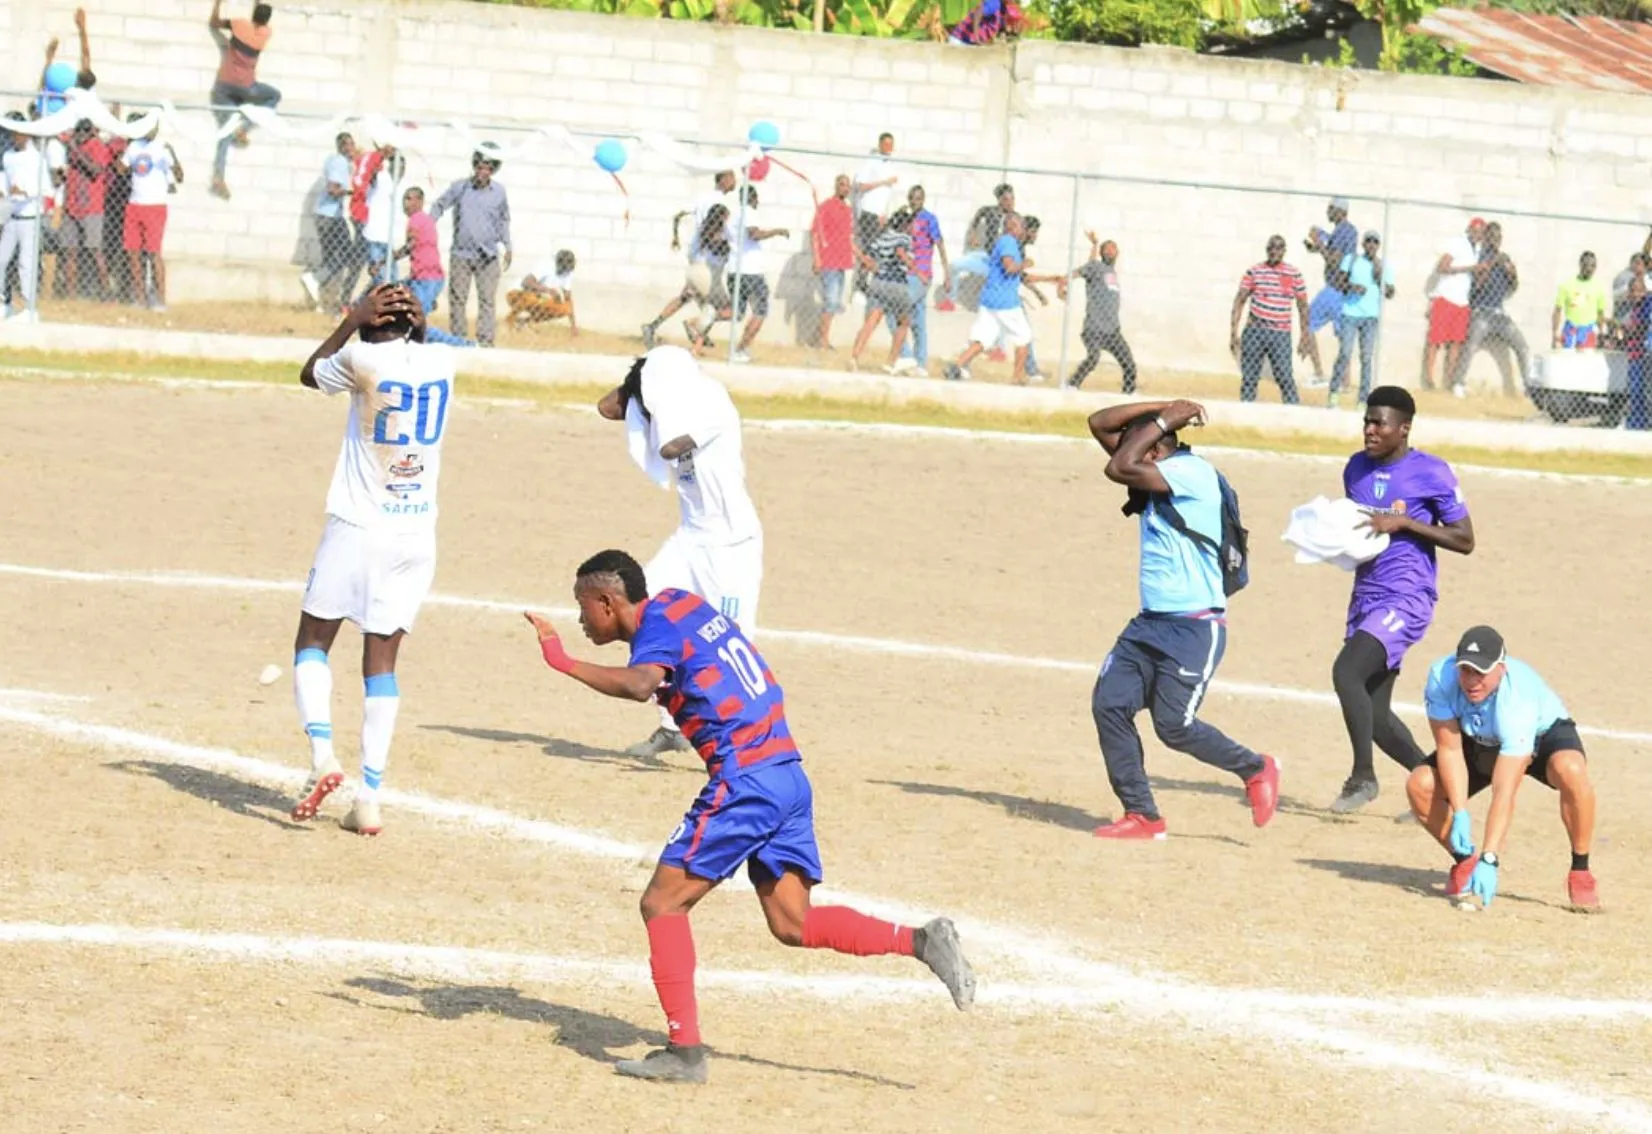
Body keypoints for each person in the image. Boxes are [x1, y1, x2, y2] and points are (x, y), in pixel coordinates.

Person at [522, 549, 975, 1082]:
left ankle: (685, 1053)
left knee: (662, 904)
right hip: (787, 773)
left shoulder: (657, 627)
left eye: (583, 608)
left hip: (746, 780)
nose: (580, 620)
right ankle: (921, 940)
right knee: (792, 922)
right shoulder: (680, 604)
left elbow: (642, 683)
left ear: (607, 600)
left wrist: (563, 662)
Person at [287, 284, 457, 837]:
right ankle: (371, 797)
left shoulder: (359, 358)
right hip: (416, 534)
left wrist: (348, 319)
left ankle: (321, 755)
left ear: (367, 322)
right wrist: (416, 324)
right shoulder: (443, 360)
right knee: (381, 665)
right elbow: (415, 344)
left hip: (359, 526)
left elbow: (309, 373)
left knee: (313, 641)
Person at [1083, 399, 1281, 838]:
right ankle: (1143, 815)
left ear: (1154, 445)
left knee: (1174, 727)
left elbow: (1117, 467)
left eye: (1139, 438)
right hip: (1148, 623)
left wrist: (1162, 421)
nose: (1126, 445)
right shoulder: (1151, 466)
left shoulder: (1192, 474)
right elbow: (1098, 423)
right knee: (1109, 705)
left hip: (1194, 626)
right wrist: (1165, 406)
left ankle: (1257, 768)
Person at [596, 347, 764, 758]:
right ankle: (674, 725)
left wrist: (653, 397)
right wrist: (639, 378)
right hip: (690, 538)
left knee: (731, 645)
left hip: (731, 545)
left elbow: (671, 446)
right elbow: (607, 408)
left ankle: (747, 742)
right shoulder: (667, 399)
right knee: (643, 608)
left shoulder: (711, 401)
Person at [1327, 386, 1474, 814]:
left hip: (1407, 597)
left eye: (1379, 423)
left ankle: (1362, 778)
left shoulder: (1431, 472)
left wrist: (1406, 523)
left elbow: (1465, 539)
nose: (1370, 430)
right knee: (1374, 713)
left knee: (1346, 673)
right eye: (1366, 421)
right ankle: (1439, 786)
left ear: (1404, 428)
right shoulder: (1355, 469)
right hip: (1365, 594)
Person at [1405, 626, 1600, 913]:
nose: (1471, 681)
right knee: (1419, 785)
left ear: (1501, 668)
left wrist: (1491, 858)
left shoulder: (1516, 701)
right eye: (1465, 671)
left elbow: (1504, 790)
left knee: (1570, 770)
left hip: (1540, 736)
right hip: (1480, 740)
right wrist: (1459, 812)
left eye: (1480, 673)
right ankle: (1465, 862)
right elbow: (1450, 749)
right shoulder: (1440, 678)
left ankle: (1580, 870)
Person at [942, 212, 1042, 384]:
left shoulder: (1007, 242)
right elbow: (1009, 267)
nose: (1023, 229)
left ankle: (956, 366)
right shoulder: (1008, 242)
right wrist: (1024, 264)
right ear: (1011, 226)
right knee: (1024, 337)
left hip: (990, 300)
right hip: (1005, 301)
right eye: (1020, 226)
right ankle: (1017, 377)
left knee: (983, 339)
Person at [643, 169, 734, 350]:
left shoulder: (702, 198)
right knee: (716, 303)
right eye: (732, 178)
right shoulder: (719, 202)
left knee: (688, 297)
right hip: (709, 259)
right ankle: (696, 330)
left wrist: (675, 237)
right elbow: (711, 231)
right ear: (723, 180)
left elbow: (678, 215)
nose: (735, 181)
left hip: (696, 255)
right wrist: (723, 245)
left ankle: (656, 326)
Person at [429, 150, 512, 347]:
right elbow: (440, 205)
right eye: (479, 167)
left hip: (488, 256)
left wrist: (508, 245)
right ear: (474, 167)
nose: (482, 172)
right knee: (458, 298)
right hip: (461, 254)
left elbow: (503, 220)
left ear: (492, 170)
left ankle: (485, 340)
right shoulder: (461, 187)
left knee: (487, 300)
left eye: (487, 168)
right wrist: (428, 224)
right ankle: (458, 339)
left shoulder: (499, 192)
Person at [207, 0, 280, 199]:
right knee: (274, 96)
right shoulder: (265, 34)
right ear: (266, 20)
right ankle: (244, 128)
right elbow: (260, 19)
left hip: (223, 87)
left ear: (253, 13)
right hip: (247, 89)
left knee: (224, 132)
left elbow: (214, 23)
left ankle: (218, 178)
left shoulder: (239, 25)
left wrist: (218, 4)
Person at [1450, 221, 1530, 399]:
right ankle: (1458, 384)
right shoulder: (1479, 257)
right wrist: (1493, 262)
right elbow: (1476, 286)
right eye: (1492, 236)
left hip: (1499, 313)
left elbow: (1513, 288)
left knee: (1522, 346)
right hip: (1481, 311)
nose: (1496, 240)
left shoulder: (1505, 258)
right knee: (1470, 345)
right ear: (1486, 238)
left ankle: (1529, 387)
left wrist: (1512, 273)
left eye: (1498, 237)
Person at [1230, 235, 1310, 404]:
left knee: (1284, 375)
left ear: (1284, 251)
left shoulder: (1294, 274)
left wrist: (1305, 335)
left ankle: (1293, 410)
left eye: (1279, 248)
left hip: (1280, 333)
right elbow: (1240, 300)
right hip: (1255, 330)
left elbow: (1303, 306)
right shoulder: (1255, 271)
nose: (1274, 251)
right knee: (1250, 376)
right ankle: (1247, 409)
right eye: (1271, 247)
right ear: (1267, 250)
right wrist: (1233, 332)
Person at [397, 186, 472, 348]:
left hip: (427, 278)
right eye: (405, 199)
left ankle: (462, 344)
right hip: (425, 277)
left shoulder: (416, 219)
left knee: (415, 322)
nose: (406, 204)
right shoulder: (426, 220)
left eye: (410, 199)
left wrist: (390, 258)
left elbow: (411, 244)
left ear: (420, 201)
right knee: (410, 314)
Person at [884, 185, 948, 375]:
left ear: (924, 199)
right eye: (912, 198)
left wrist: (947, 273)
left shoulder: (929, 219)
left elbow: (940, 244)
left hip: (920, 275)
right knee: (918, 318)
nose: (915, 201)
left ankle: (906, 356)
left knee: (893, 313)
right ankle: (920, 364)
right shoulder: (905, 219)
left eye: (918, 198)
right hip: (906, 275)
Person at [1328, 230, 1395, 408]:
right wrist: (1352, 287)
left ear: (1378, 246)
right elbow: (1338, 283)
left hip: (1370, 317)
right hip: (1350, 313)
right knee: (1345, 353)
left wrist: (1379, 276)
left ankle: (1363, 400)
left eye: (1375, 242)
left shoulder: (1383, 265)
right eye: (1368, 241)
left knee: (1366, 358)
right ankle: (1334, 393)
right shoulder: (1352, 260)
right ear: (1363, 244)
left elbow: (1390, 293)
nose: (1372, 245)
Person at [1062, 231, 1136, 392]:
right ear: (1102, 253)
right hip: (1094, 328)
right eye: (1106, 249)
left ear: (1117, 253)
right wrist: (1064, 282)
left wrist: (1095, 245)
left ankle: (1128, 393)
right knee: (1093, 358)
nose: (1110, 251)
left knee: (1129, 363)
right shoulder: (1096, 267)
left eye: (1113, 249)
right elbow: (1082, 270)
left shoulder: (1111, 272)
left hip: (1112, 331)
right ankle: (1072, 384)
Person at [725, 185, 788, 364]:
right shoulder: (749, 212)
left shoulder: (734, 214)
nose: (758, 201)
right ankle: (740, 349)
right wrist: (777, 231)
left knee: (737, 312)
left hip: (734, 270)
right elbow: (754, 234)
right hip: (750, 271)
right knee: (760, 311)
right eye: (757, 198)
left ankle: (706, 318)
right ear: (752, 198)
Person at [0, 129, 59, 321]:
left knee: (26, 264)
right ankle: (3, 304)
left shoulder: (36, 159)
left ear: (26, 135)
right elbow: (4, 180)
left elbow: (47, 189)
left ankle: (29, 308)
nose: (15, 139)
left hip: (30, 218)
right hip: (12, 216)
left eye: (18, 135)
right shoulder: (8, 156)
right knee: (1, 260)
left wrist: (24, 191)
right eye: (13, 135)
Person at [850, 208, 917, 374]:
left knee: (870, 322)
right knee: (904, 322)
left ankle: (854, 357)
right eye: (911, 225)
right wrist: (915, 269)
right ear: (905, 225)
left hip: (879, 282)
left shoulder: (882, 237)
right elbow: (901, 252)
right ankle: (891, 361)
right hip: (897, 284)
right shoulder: (904, 238)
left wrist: (873, 267)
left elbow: (869, 261)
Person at [1423, 219, 1482, 389]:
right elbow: (1442, 267)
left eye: (1480, 233)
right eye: (1475, 231)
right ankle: (1429, 380)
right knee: (1435, 341)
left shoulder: (1476, 250)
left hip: (1462, 302)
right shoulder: (1458, 243)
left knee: (1456, 342)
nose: (1478, 235)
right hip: (1446, 297)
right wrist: (1470, 268)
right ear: (1469, 230)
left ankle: (1448, 380)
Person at [301, 132, 356, 311]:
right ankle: (315, 278)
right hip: (330, 217)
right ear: (342, 146)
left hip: (330, 215)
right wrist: (353, 192)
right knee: (348, 253)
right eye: (349, 145)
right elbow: (333, 189)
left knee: (332, 257)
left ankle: (320, 298)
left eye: (352, 144)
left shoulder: (339, 162)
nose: (352, 148)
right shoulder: (338, 162)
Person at [1302, 197, 1355, 381]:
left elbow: (1334, 261)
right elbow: (1334, 251)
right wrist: (1317, 246)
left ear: (1339, 211)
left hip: (1335, 289)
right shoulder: (1344, 231)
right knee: (1343, 337)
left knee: (1307, 322)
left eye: (1330, 209)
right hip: (1341, 291)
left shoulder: (1343, 232)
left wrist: (1319, 243)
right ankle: (1345, 381)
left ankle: (1319, 373)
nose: (1328, 212)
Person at [59, 118, 112, 300]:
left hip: (91, 207)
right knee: (69, 251)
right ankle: (71, 294)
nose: (81, 135)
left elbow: (95, 170)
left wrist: (76, 151)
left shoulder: (97, 146)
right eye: (79, 131)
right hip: (71, 205)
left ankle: (106, 291)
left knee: (95, 250)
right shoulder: (73, 147)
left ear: (91, 132)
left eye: (85, 132)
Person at [943, 182, 1014, 309]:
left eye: (1012, 199)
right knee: (954, 266)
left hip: (1000, 261)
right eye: (1006, 199)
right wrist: (973, 235)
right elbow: (975, 220)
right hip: (985, 255)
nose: (1010, 203)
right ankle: (950, 301)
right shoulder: (988, 211)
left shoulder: (1014, 218)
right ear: (999, 200)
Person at [810, 173, 855, 350]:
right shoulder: (826, 207)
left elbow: (849, 238)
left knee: (833, 302)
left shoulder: (848, 210)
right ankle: (823, 342)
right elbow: (814, 233)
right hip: (828, 261)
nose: (845, 188)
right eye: (842, 184)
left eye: (847, 185)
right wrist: (817, 258)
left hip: (842, 262)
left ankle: (821, 337)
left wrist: (861, 257)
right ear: (836, 186)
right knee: (830, 301)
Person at [850, 133, 900, 285]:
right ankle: (861, 283)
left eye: (891, 144)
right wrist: (884, 182)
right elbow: (860, 186)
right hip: (869, 211)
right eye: (885, 144)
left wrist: (885, 212)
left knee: (878, 249)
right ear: (880, 145)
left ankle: (871, 283)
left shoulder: (891, 164)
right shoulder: (871, 162)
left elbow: (888, 194)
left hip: (880, 215)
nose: (888, 147)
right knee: (869, 249)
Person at [506, 248, 577, 332]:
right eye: (563, 267)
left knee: (564, 308)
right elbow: (526, 282)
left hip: (539, 298)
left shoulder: (568, 273)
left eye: (567, 268)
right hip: (517, 292)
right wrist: (548, 290)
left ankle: (525, 322)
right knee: (532, 297)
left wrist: (573, 326)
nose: (565, 271)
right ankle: (510, 320)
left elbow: (568, 300)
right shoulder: (547, 266)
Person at [1552, 251, 1609, 350]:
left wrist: (1601, 332)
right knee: (1569, 360)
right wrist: (1555, 332)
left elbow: (1600, 313)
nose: (1589, 269)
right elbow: (1558, 310)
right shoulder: (1566, 285)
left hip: (1589, 330)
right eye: (1586, 265)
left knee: (1586, 362)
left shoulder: (1599, 287)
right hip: (1571, 329)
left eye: (1593, 266)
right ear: (1580, 264)